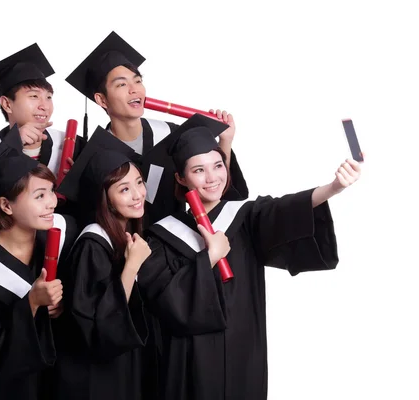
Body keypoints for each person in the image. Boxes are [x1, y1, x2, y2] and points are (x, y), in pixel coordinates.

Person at [137, 114, 363, 400]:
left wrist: (333, 188)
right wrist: (207, 259)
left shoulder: (245, 217)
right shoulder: (163, 235)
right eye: (198, 171)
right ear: (181, 178)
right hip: (188, 361)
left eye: (218, 165)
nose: (212, 178)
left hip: (242, 350)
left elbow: (284, 210)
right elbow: (162, 300)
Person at [65, 31, 248, 224]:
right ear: (101, 99)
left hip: (180, 240)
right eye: (121, 85)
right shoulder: (93, 155)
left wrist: (225, 141)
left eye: (138, 81)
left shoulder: (172, 134)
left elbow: (217, 192)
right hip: (124, 249)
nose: (134, 89)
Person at [0, 126, 77, 400]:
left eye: (51, 191)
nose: (53, 203)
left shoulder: (60, 236)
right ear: (6, 205)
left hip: (51, 383)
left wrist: (62, 305)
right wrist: (32, 303)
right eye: (39, 196)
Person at [52, 130, 155, 399]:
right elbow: (98, 326)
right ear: (105, 200)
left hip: (119, 369)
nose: (137, 194)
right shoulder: (92, 244)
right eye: (124, 189)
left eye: (139, 182)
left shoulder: (124, 238)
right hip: (92, 378)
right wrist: (131, 266)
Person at [0, 43, 86, 234]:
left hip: (61, 254)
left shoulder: (71, 145)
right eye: (33, 96)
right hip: (7, 255)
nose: (44, 106)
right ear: (7, 104)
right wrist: (10, 148)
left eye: (48, 97)